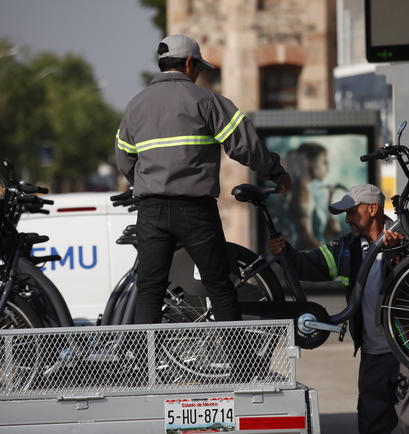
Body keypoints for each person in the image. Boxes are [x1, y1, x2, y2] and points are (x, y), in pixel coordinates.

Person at [115, 34, 290, 324]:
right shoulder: (206, 101)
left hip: (151, 210)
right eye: (198, 67)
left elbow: (124, 160)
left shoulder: (135, 106)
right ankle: (238, 367)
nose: (198, 74)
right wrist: (276, 171)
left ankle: (147, 369)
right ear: (188, 63)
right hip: (195, 210)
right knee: (219, 287)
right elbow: (245, 146)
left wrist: (150, 182)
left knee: (150, 290)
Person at [269, 184, 409, 434]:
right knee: (371, 423)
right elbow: (310, 264)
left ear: (373, 209)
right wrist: (287, 253)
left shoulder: (404, 240)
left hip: (408, 352)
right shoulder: (346, 247)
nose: (347, 219)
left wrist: (398, 256)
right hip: (372, 355)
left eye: (352, 212)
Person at [288, 142, 341, 249]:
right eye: (324, 162)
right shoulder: (302, 193)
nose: (327, 169)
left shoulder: (309, 191)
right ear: (308, 162)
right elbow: (305, 240)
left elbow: (329, 231)